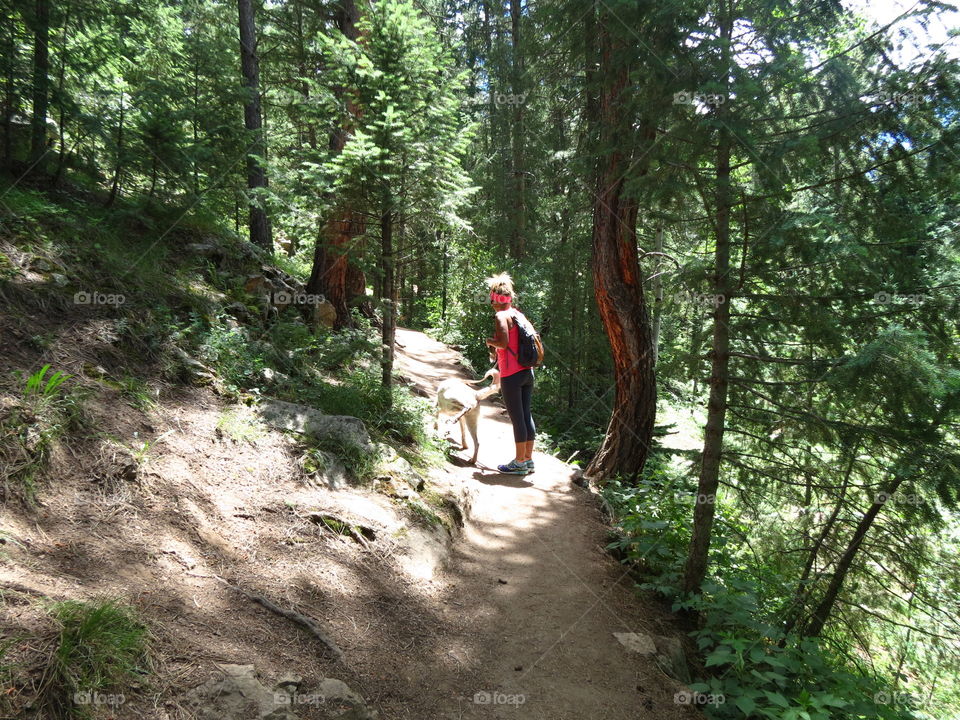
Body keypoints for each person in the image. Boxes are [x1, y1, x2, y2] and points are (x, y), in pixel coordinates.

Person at [484, 273, 535, 475]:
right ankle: (528, 460)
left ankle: (519, 462)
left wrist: (490, 341)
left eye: (491, 299)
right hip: (527, 371)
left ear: (495, 299)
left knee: (517, 418)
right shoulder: (517, 314)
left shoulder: (501, 316)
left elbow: (503, 343)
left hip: (511, 374)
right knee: (526, 414)